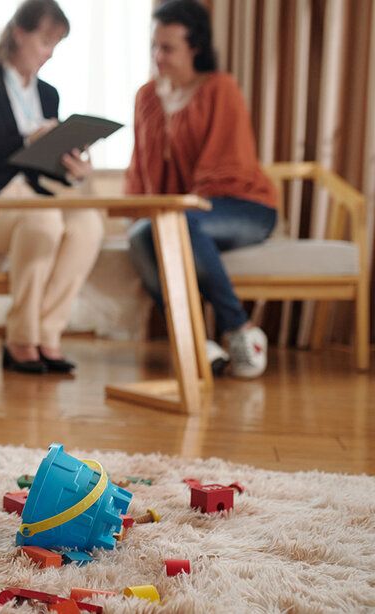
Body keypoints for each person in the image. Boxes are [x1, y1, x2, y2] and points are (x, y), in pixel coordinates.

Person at [0, 0, 104, 375]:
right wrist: (26, 140)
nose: (49, 54)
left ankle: (47, 335)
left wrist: (74, 170)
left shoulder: (48, 94)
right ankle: (20, 338)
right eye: (44, 42)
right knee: (43, 221)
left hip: (28, 200)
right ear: (19, 33)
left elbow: (39, 173)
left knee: (88, 225)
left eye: (55, 46)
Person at [125, 0, 277, 379]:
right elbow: (140, 167)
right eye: (154, 46)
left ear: (195, 47)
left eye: (168, 48)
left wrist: (178, 207)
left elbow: (229, 165)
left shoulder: (220, 89)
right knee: (142, 234)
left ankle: (238, 329)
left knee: (177, 223)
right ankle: (192, 338)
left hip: (244, 206)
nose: (159, 56)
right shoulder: (146, 97)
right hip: (183, 213)